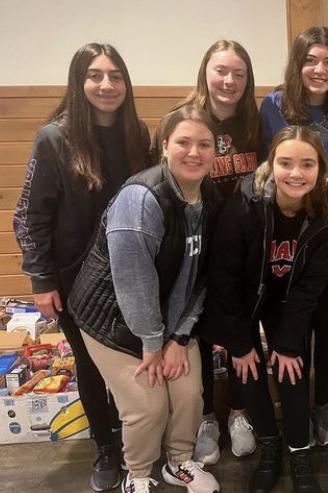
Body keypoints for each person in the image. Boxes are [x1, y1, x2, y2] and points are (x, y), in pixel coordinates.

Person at [12, 42, 149, 492]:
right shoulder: (54, 138)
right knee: (90, 365)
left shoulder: (137, 134)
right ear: (79, 81)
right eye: (95, 75)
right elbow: (31, 216)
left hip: (129, 273)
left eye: (115, 75)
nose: (107, 85)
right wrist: (41, 280)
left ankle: (134, 439)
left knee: (129, 361)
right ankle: (105, 446)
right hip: (74, 278)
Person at [67, 106, 223, 493]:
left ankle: (179, 462)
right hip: (112, 318)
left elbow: (203, 276)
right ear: (164, 146)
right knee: (148, 405)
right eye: (184, 142)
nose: (195, 152)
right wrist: (153, 344)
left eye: (205, 144)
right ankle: (137, 475)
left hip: (168, 319)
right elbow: (134, 283)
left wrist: (180, 337)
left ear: (216, 150)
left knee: (188, 393)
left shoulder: (211, 196)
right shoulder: (141, 198)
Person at [196, 126, 328, 493]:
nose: (296, 173)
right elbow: (225, 280)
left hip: (287, 299)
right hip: (242, 299)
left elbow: (310, 287)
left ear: (320, 168)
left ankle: (299, 450)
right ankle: (270, 447)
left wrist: (288, 343)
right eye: (286, 163)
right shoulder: (244, 205)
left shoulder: (326, 212)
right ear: (271, 164)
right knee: (247, 369)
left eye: (307, 164)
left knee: (292, 367)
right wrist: (241, 344)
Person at [153, 39, 262, 465]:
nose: (229, 80)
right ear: (205, 72)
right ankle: (206, 418)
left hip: (242, 246)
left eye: (238, 73)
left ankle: (239, 411)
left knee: (239, 326)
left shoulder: (256, 123)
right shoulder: (184, 120)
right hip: (192, 244)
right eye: (221, 70)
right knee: (194, 331)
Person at [258, 25, 328, 446]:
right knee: (290, 318)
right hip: (287, 230)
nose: (320, 70)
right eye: (310, 61)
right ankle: (293, 404)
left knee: (323, 319)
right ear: (296, 65)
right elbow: (269, 168)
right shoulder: (273, 105)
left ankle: (321, 406)